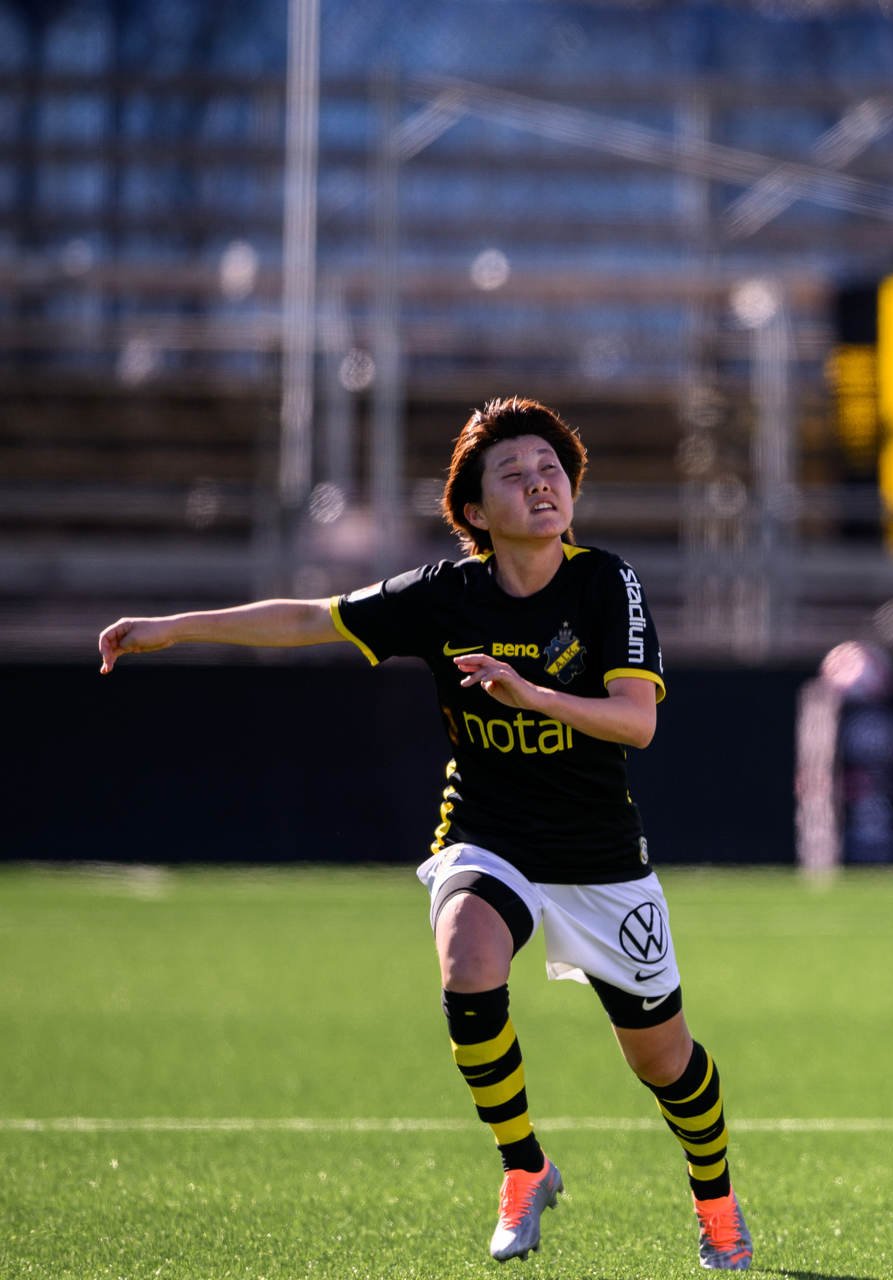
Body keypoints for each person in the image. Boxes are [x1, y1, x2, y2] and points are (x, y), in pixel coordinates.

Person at [97, 397, 753, 1271]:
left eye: (551, 470)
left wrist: (533, 696)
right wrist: (172, 630)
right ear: (475, 513)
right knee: (467, 962)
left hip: (597, 851)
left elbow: (635, 724)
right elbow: (312, 617)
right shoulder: (446, 595)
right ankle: (525, 1168)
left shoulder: (607, 582)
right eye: (514, 476)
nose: (540, 485)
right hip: (487, 831)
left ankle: (714, 1194)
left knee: (663, 1060)